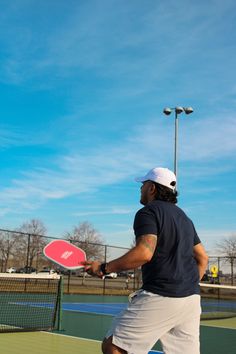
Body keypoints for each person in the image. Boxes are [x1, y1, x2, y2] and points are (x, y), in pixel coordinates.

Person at [85, 167, 208, 354]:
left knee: (114, 346)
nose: (140, 189)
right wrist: (188, 285)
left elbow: (144, 252)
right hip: (191, 300)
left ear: (152, 188)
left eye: (143, 185)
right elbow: (203, 258)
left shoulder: (148, 212)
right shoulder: (185, 218)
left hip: (163, 294)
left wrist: (103, 268)